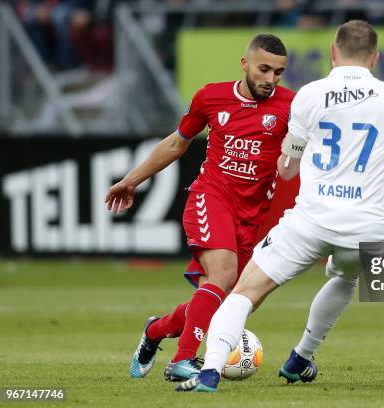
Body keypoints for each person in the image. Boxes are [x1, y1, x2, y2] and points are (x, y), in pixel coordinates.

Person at [175, 20, 384, 393]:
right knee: (346, 276)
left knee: (244, 292)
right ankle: (301, 357)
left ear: (333, 53)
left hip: (311, 222)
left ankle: (210, 371)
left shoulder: (310, 95)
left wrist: (286, 157)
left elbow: (288, 169)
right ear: (375, 57)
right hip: (368, 231)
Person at [105, 34, 295, 382]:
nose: (270, 79)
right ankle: (184, 359)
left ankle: (155, 331)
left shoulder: (291, 106)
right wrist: (132, 179)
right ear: (245, 63)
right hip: (211, 196)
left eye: (278, 72)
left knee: (232, 302)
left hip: (252, 214)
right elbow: (178, 142)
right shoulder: (211, 96)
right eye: (264, 69)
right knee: (221, 276)